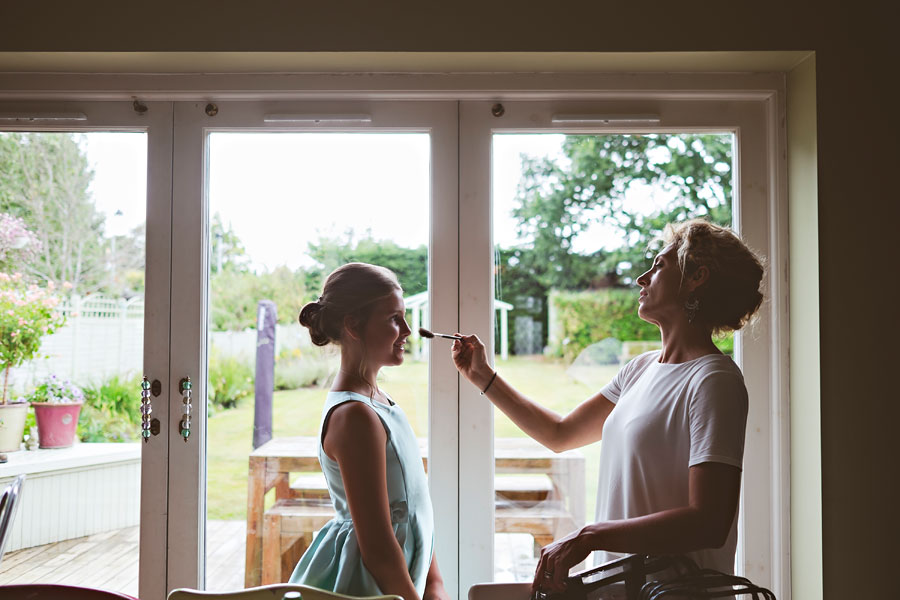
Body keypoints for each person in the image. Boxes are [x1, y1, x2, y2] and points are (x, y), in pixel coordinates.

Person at [451, 219, 765, 594]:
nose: (641, 278)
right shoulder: (639, 369)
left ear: (697, 277)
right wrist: (483, 376)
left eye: (660, 265)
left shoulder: (715, 381)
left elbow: (709, 522)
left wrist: (589, 536)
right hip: (618, 589)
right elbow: (560, 434)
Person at [290, 262, 448, 600]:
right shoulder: (355, 416)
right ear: (353, 326)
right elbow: (377, 549)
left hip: (402, 584)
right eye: (394, 319)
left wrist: (435, 583)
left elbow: (416, 504)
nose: (407, 329)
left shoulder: (381, 403)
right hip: (367, 586)